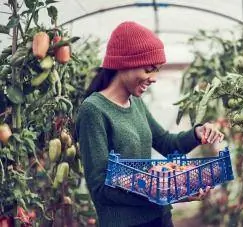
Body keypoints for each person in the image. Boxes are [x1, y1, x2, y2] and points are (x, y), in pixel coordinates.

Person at [75, 21, 225, 227]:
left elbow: (166, 142)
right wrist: (171, 192)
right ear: (124, 64)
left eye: (157, 70)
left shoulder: (135, 102)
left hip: (160, 217)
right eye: (149, 69)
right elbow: (100, 187)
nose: (154, 78)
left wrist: (197, 133)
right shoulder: (93, 111)